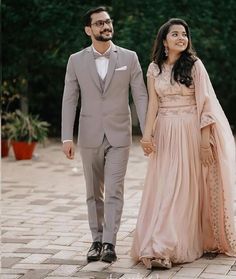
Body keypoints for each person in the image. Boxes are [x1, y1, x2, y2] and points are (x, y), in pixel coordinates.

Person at [131, 18, 236, 269]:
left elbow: (205, 104)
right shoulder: (154, 69)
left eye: (184, 34)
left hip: (190, 130)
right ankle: (157, 244)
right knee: (164, 186)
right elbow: (152, 106)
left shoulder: (195, 65)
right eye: (175, 34)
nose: (181, 38)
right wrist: (147, 135)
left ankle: (164, 247)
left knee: (182, 188)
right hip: (166, 132)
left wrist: (203, 143)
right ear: (164, 40)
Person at [61, 6, 148, 263]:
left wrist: (147, 133)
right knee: (92, 192)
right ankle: (96, 240)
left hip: (120, 135)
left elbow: (140, 96)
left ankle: (110, 242)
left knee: (114, 190)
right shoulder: (75, 60)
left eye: (108, 22)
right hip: (88, 135)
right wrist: (67, 137)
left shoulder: (129, 58)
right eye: (99, 23)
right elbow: (69, 99)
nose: (106, 26)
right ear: (88, 29)